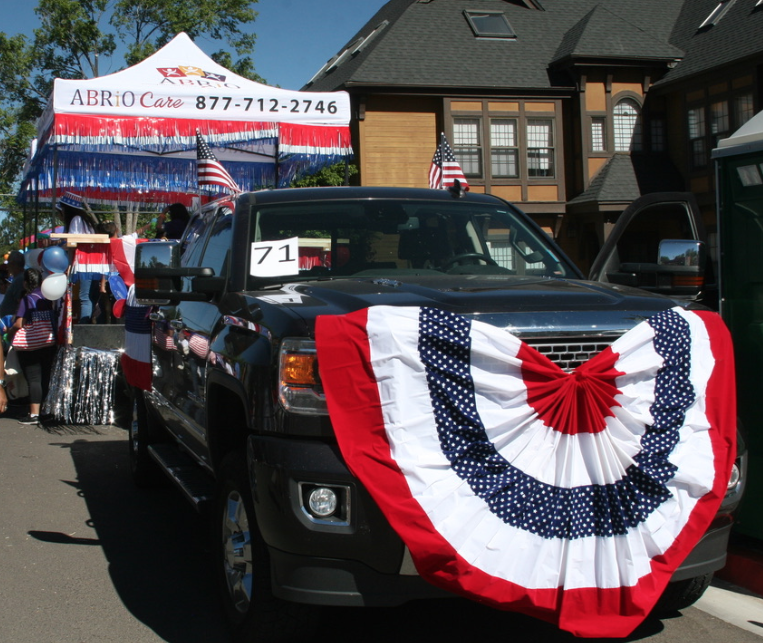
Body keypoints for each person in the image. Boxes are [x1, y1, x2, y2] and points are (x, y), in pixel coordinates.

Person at [9, 268, 58, 424]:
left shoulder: (27, 299)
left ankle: (34, 414)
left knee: (34, 378)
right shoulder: (49, 298)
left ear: (25, 283)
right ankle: (45, 410)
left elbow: (18, 323)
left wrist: (10, 333)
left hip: (31, 344)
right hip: (48, 341)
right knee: (44, 377)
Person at [57, 192, 99, 324]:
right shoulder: (85, 220)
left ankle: (83, 328)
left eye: (63, 208)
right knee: (90, 296)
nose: (62, 212)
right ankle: (88, 326)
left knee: (84, 297)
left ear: (68, 208)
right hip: (95, 262)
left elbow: (73, 242)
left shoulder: (76, 220)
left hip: (85, 262)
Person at [0, 250, 26, 318]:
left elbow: (20, 303)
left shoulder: (20, 279)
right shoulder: (17, 278)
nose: (7, 266)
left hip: (11, 323)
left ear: (14, 264)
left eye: (9, 263)